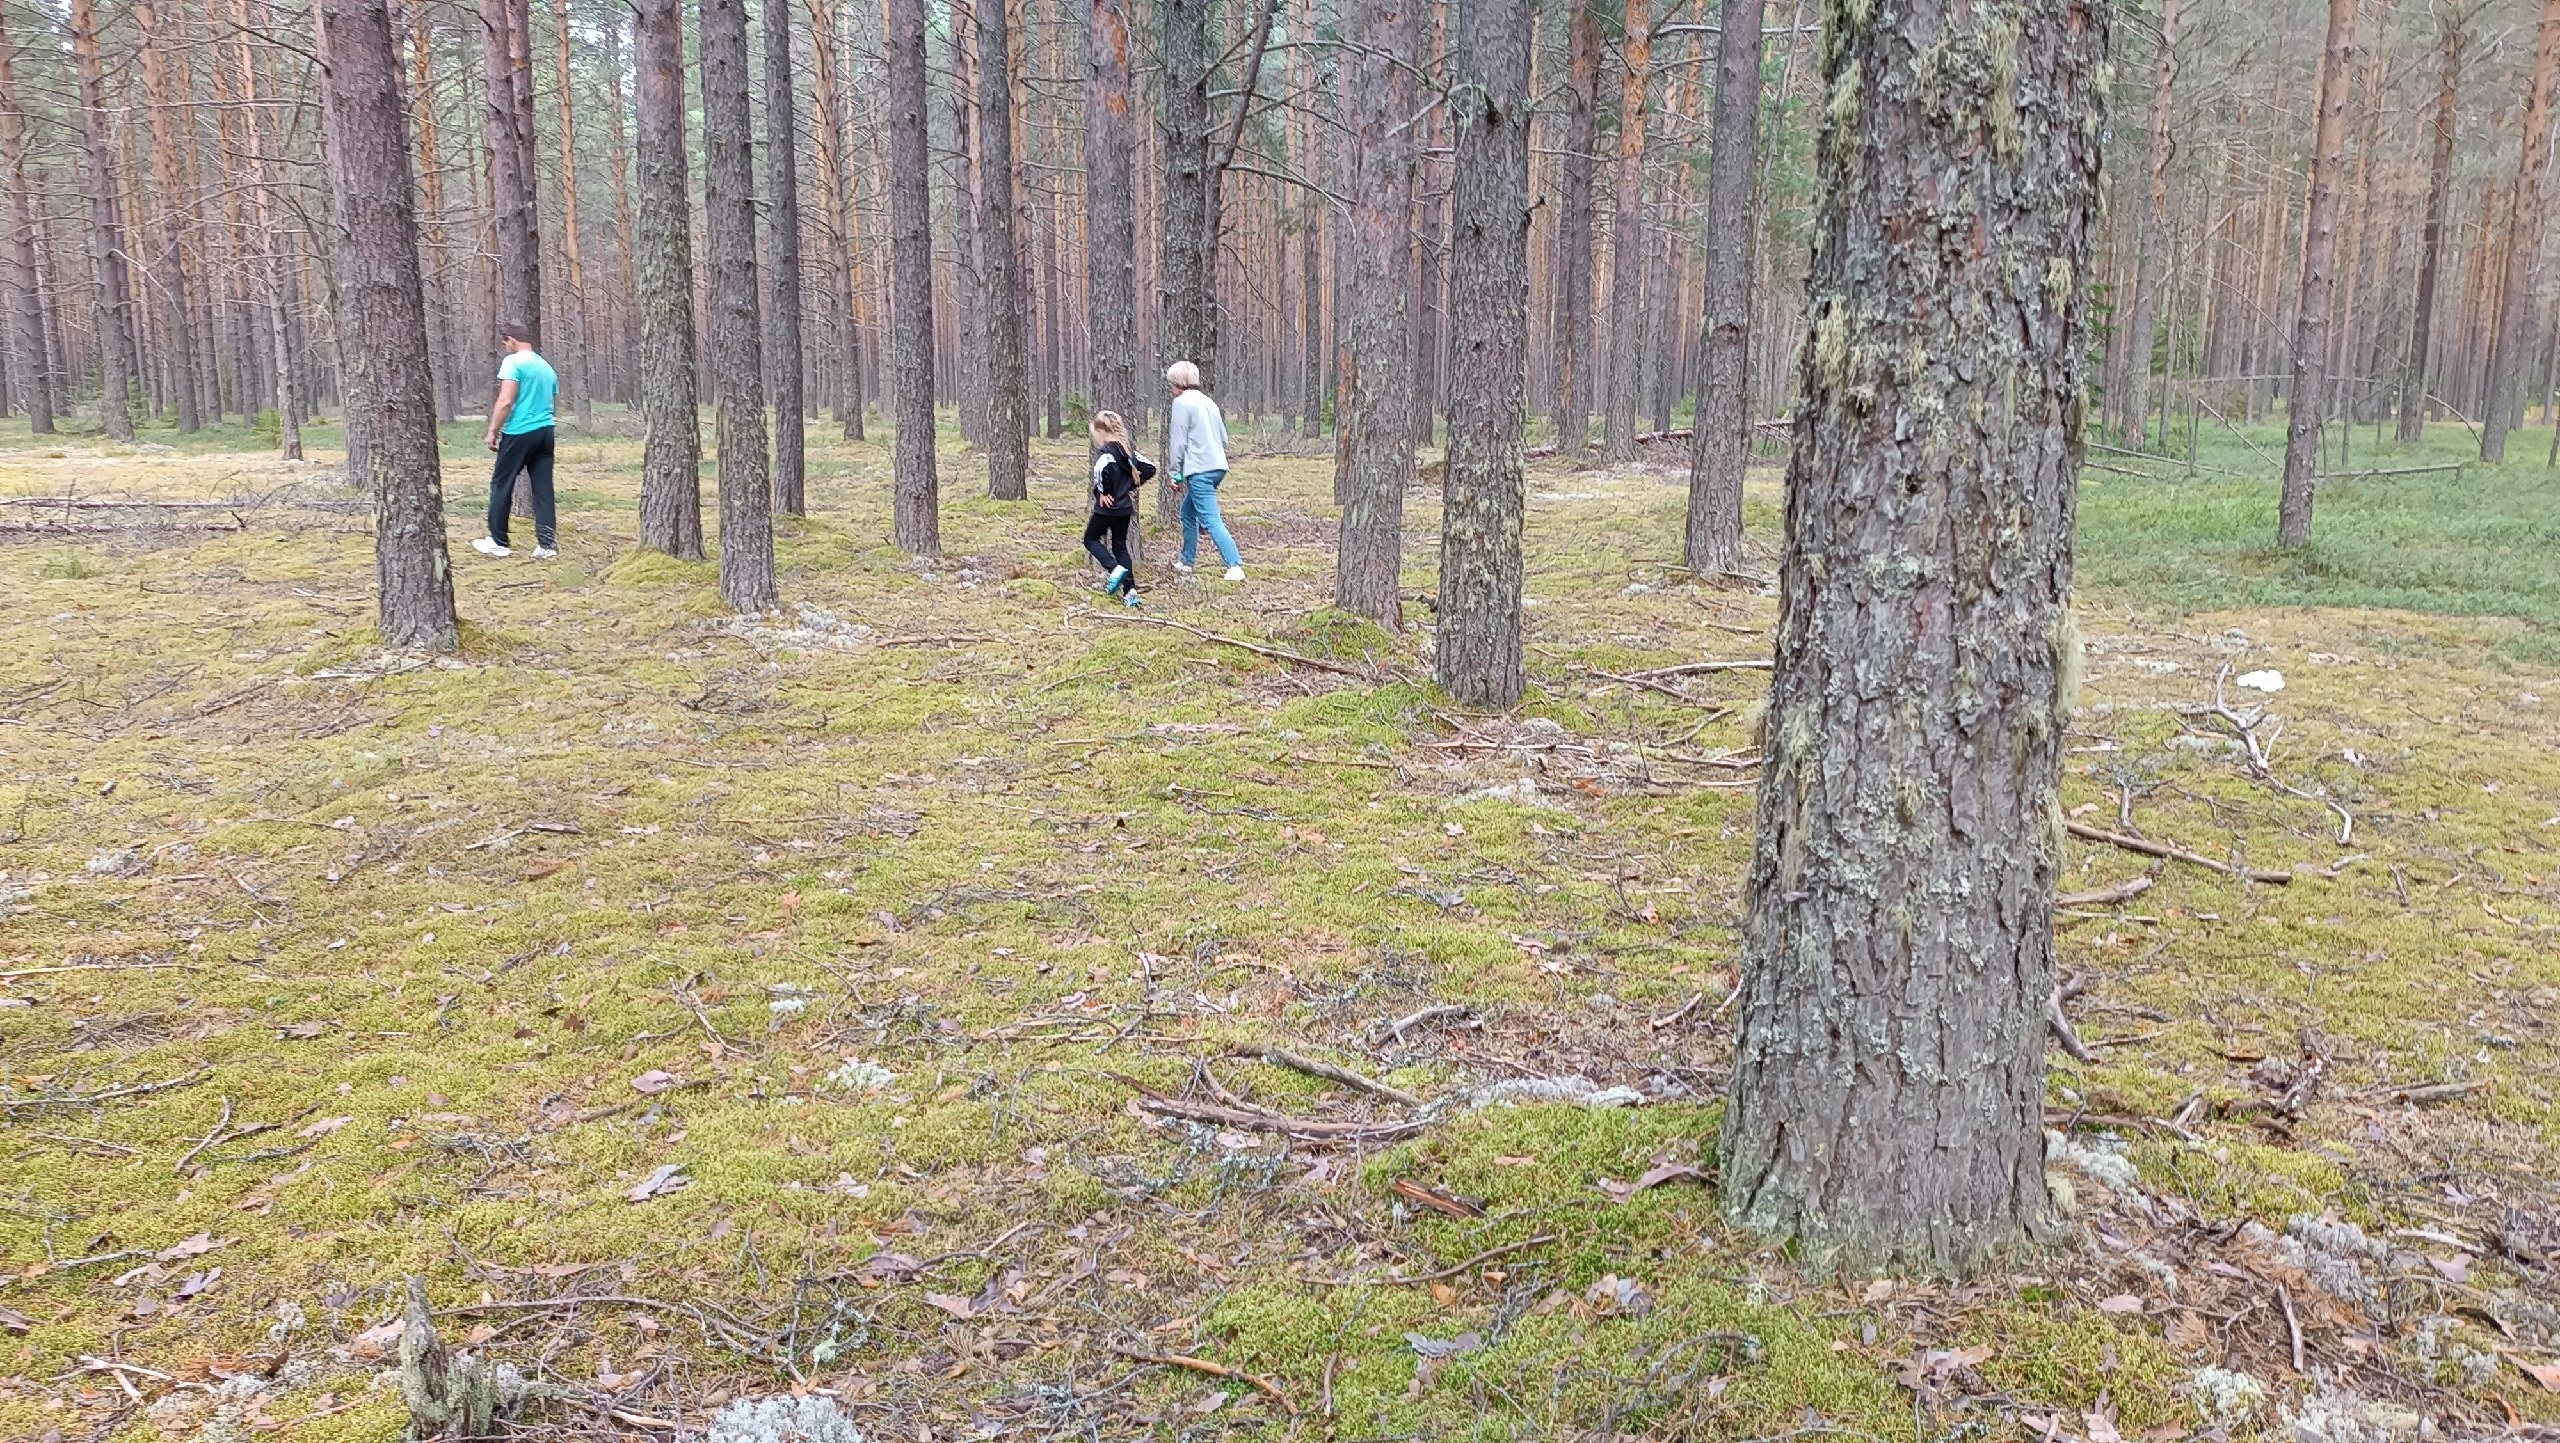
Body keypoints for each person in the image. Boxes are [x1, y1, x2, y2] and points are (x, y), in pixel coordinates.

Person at [471, 323, 560, 559]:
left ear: (511, 340)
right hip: (546, 433)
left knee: (502, 483)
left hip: (520, 431)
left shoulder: (513, 363)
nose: (506, 348)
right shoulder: (546, 367)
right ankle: (547, 545)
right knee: (542, 488)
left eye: (505, 344)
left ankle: (499, 541)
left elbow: (506, 401)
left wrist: (493, 430)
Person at [1163, 361, 1243, 581]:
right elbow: (1224, 437)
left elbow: (1178, 442)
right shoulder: (1209, 402)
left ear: (1178, 383)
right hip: (1218, 466)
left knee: (1210, 519)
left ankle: (1234, 564)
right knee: (1187, 513)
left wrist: (1174, 473)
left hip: (1199, 470)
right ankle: (1186, 561)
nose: (1171, 389)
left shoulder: (1181, 403)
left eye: (1171, 384)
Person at [1084, 410, 1155, 607]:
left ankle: (1114, 568)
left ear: (1101, 431)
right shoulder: (1129, 453)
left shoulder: (1107, 454)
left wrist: (1102, 492)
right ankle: (1130, 592)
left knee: (1090, 539)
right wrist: (1131, 487)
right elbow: (1150, 468)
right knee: (1120, 547)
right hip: (1124, 508)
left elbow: (1099, 472)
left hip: (1106, 508)